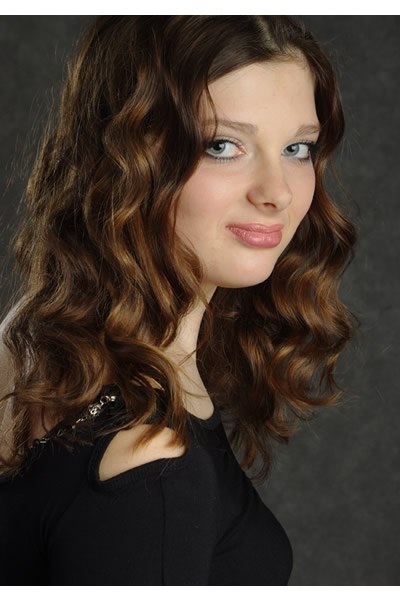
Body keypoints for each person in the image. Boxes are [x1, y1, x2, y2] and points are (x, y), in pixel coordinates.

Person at [0, 16, 359, 585]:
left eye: (297, 148)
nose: (277, 192)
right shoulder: (151, 464)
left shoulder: (29, 336)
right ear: (125, 157)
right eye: (223, 145)